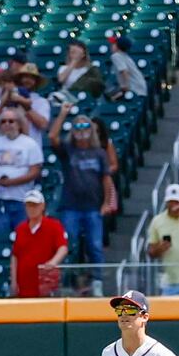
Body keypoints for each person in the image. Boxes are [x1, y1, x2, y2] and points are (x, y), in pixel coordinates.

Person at [49, 103, 115, 297]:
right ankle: (68, 280)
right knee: (68, 245)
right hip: (71, 206)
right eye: (77, 127)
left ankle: (97, 281)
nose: (81, 130)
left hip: (93, 207)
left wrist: (106, 202)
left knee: (95, 245)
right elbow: (52, 137)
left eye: (85, 126)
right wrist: (63, 114)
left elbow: (106, 178)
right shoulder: (68, 150)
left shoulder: (99, 153)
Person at [0, 107, 43, 236]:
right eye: (3, 121)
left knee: (24, 239)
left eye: (11, 121)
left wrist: (11, 182)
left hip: (21, 200)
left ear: (19, 124)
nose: (7, 124)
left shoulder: (30, 144)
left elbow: (34, 172)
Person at [9, 189, 68, 298]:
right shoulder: (20, 229)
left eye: (35, 205)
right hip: (24, 284)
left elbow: (62, 248)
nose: (32, 209)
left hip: (44, 283)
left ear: (42, 206)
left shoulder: (54, 226)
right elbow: (15, 256)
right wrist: (14, 281)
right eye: (29, 205)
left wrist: (53, 262)